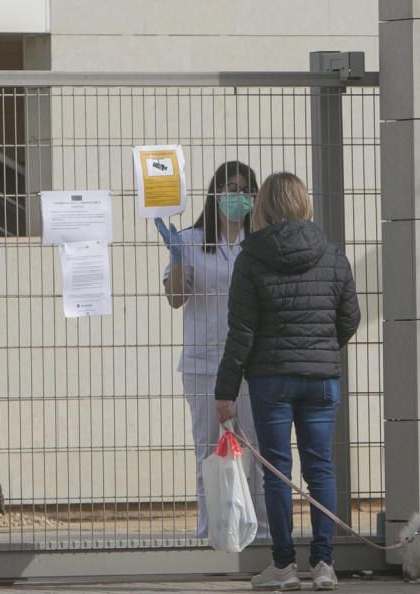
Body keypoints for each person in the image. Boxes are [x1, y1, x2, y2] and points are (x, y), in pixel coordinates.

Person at [213, 172, 360, 592]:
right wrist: (321, 348)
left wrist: (225, 392)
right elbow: (350, 317)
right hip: (322, 380)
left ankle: (283, 566)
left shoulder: (251, 257)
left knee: (277, 470)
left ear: (264, 207)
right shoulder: (332, 254)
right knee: (321, 468)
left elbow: (241, 331)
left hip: (271, 380)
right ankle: (325, 564)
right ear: (303, 203)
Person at [154, 160, 268, 541]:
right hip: (204, 364)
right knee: (209, 451)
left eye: (245, 190)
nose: (237, 196)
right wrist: (176, 258)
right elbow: (176, 298)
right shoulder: (188, 240)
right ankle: (212, 533)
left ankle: (260, 533)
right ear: (215, 193)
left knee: (255, 449)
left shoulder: (261, 243)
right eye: (230, 188)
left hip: (251, 365)